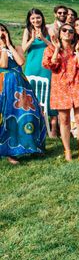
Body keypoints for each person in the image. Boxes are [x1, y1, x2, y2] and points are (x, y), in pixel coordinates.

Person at [42, 22, 79, 161]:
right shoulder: (51, 48)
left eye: (70, 31)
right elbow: (49, 64)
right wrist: (57, 49)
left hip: (77, 84)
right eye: (64, 30)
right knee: (63, 120)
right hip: (61, 86)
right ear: (60, 32)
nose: (67, 33)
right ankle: (67, 150)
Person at [0, 24, 46, 164]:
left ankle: (32, 147)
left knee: (31, 115)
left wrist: (8, 45)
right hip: (4, 87)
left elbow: (20, 61)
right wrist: (2, 49)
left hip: (21, 86)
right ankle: (10, 152)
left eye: (2, 30)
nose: (1, 33)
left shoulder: (17, 48)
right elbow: (3, 65)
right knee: (9, 118)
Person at [22, 8, 57, 136]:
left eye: (38, 17)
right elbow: (23, 50)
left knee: (49, 96)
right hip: (31, 67)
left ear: (42, 18)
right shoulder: (27, 31)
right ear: (29, 20)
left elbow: (55, 48)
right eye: (33, 18)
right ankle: (35, 126)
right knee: (31, 96)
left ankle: (53, 129)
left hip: (46, 67)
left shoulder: (48, 29)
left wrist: (43, 38)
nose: (36, 20)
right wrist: (31, 39)